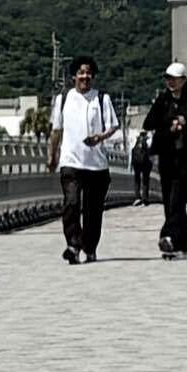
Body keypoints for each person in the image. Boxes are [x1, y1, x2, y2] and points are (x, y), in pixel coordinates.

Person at [48, 57, 121, 264]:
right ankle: (73, 244)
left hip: (96, 165)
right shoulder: (63, 99)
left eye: (88, 73)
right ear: (73, 76)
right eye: (81, 72)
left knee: (93, 211)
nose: (85, 76)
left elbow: (113, 126)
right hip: (70, 162)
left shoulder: (102, 99)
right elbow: (56, 130)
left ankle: (89, 247)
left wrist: (101, 137)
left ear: (93, 76)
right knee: (71, 203)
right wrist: (51, 156)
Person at [137, 67, 187, 258]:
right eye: (168, 78)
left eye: (174, 79)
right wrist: (169, 123)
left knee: (178, 201)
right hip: (167, 157)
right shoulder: (162, 101)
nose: (170, 82)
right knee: (169, 202)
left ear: (183, 80)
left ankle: (168, 237)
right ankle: (185, 245)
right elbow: (148, 123)